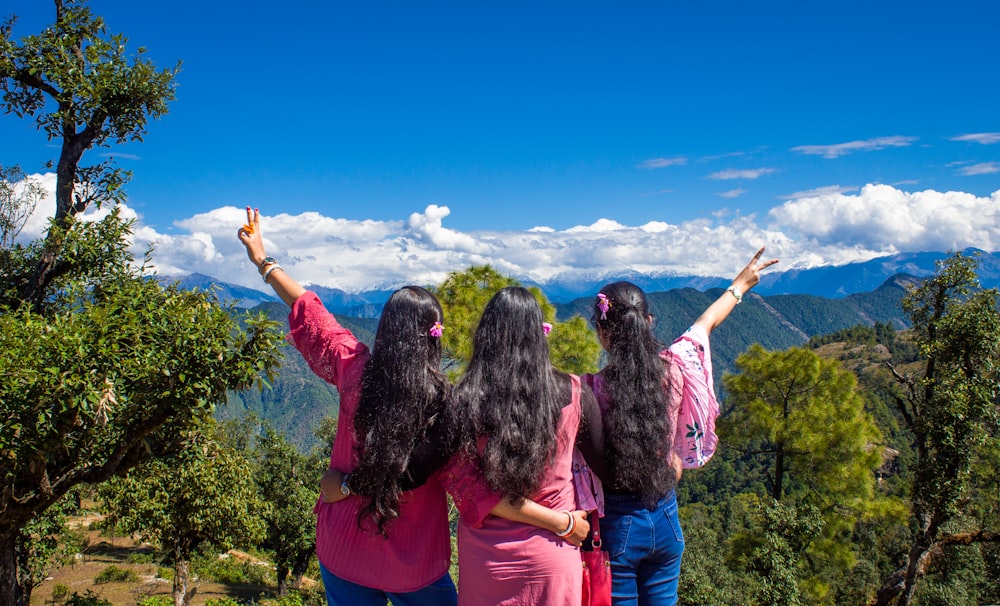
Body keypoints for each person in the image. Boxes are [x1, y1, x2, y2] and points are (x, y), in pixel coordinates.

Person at [237, 207, 457, 606]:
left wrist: (262, 261)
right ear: (433, 337)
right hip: (417, 560)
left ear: (386, 329)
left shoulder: (355, 369)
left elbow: (310, 311)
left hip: (344, 545)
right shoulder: (447, 403)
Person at [586, 248, 778, 606]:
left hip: (618, 523)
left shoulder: (590, 390)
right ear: (649, 322)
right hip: (666, 515)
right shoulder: (675, 368)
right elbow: (706, 324)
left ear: (602, 332)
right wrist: (740, 284)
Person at [439, 286, 606, 606]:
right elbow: (606, 468)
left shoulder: (465, 399)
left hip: (487, 562)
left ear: (486, 336)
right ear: (539, 335)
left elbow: (460, 482)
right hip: (554, 552)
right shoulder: (575, 392)